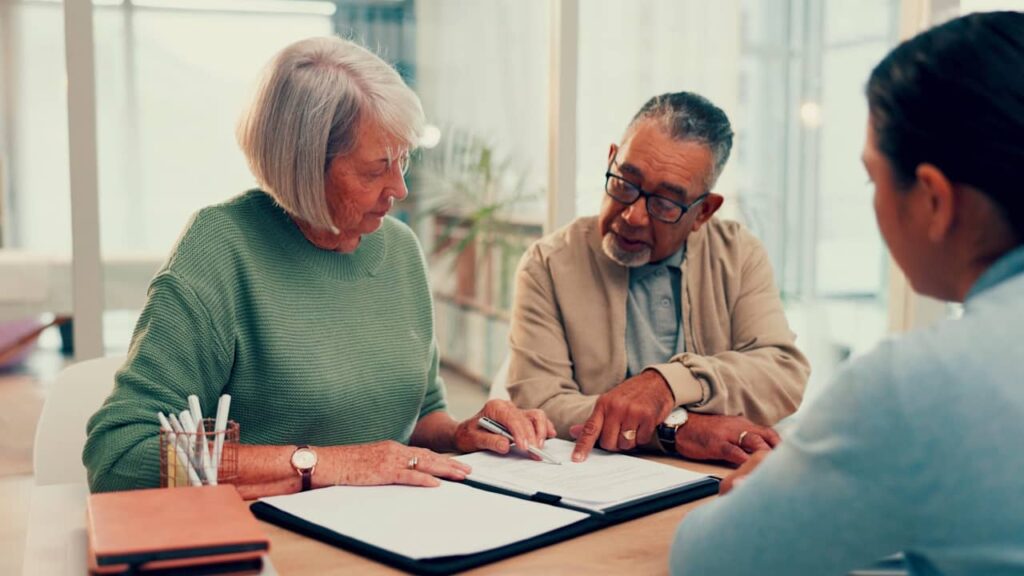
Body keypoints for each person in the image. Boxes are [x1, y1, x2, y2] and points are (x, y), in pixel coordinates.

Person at [83, 36, 555, 497]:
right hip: (272, 533)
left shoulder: (400, 249)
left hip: (391, 525)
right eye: (375, 169)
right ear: (304, 166)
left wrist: (462, 433)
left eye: (403, 161)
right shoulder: (222, 248)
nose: (400, 189)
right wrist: (324, 465)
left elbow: (417, 415)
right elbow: (120, 454)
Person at [671, 11, 1024, 576]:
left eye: (872, 178)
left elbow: (708, 561)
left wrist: (773, 490)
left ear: (934, 200)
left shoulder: (920, 382)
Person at [508, 92, 810, 464]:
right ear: (611, 159)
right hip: (595, 477)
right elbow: (540, 404)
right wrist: (677, 430)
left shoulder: (738, 254)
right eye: (625, 183)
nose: (633, 216)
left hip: (719, 476)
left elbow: (781, 372)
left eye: (665, 203)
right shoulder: (548, 263)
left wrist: (668, 383)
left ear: (703, 212)